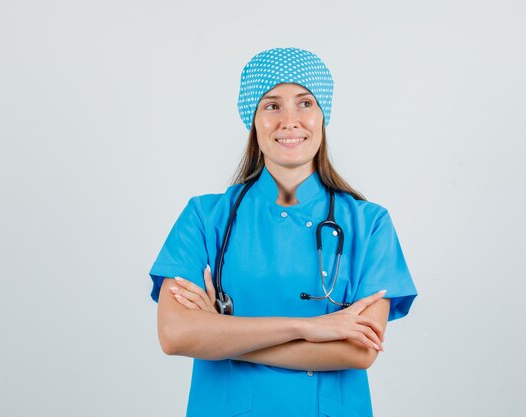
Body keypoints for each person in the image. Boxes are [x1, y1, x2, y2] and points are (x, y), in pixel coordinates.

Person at [148, 47, 418, 417]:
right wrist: (310, 328)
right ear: (252, 119)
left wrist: (220, 334)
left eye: (305, 103)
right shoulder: (205, 217)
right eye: (272, 106)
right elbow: (175, 335)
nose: (290, 120)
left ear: (323, 116)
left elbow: (359, 351)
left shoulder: (369, 224)